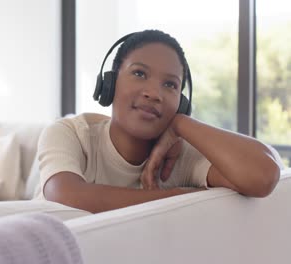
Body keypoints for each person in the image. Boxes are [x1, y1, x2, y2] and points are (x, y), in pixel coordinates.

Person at [36, 29, 282, 214]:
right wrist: (180, 196)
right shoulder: (70, 133)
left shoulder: (181, 157)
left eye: (170, 84)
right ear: (109, 84)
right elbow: (66, 197)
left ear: (181, 103)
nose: (154, 93)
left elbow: (262, 175)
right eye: (139, 73)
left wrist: (181, 125)